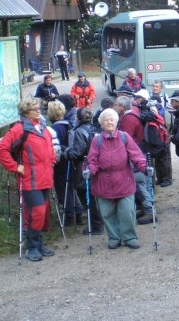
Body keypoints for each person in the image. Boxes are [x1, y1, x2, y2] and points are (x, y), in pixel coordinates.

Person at [0, 98, 56, 262]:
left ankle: (39, 244)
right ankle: (32, 247)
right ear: (25, 112)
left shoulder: (42, 128)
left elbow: (49, 148)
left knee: (42, 213)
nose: (38, 111)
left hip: (44, 177)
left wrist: (52, 160)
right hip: (30, 178)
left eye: (39, 108)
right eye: (34, 109)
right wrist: (15, 167)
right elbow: (1, 149)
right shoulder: (20, 129)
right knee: (37, 212)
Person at [84, 108, 151, 250]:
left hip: (123, 179)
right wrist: (90, 171)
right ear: (101, 124)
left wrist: (145, 167)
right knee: (107, 213)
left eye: (112, 119)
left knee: (127, 211)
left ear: (116, 122)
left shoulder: (124, 137)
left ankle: (130, 237)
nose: (109, 122)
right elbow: (92, 160)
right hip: (102, 181)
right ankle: (114, 237)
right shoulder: (97, 140)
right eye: (106, 120)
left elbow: (136, 155)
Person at [114, 95, 155, 225]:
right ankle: (144, 208)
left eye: (116, 105)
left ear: (121, 107)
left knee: (138, 181)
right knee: (138, 181)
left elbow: (126, 140)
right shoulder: (132, 115)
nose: (115, 107)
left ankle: (149, 211)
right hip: (138, 152)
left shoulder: (128, 119)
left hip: (135, 155)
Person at [66, 107, 104, 236]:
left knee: (87, 196)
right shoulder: (95, 128)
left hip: (84, 167)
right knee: (95, 196)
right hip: (97, 165)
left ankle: (95, 225)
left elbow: (77, 152)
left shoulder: (80, 131)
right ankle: (99, 222)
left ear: (78, 117)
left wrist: (66, 152)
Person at [48, 100, 83, 226]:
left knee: (63, 189)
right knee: (71, 188)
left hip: (60, 161)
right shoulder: (69, 124)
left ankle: (69, 216)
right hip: (70, 160)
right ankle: (78, 213)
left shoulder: (54, 129)